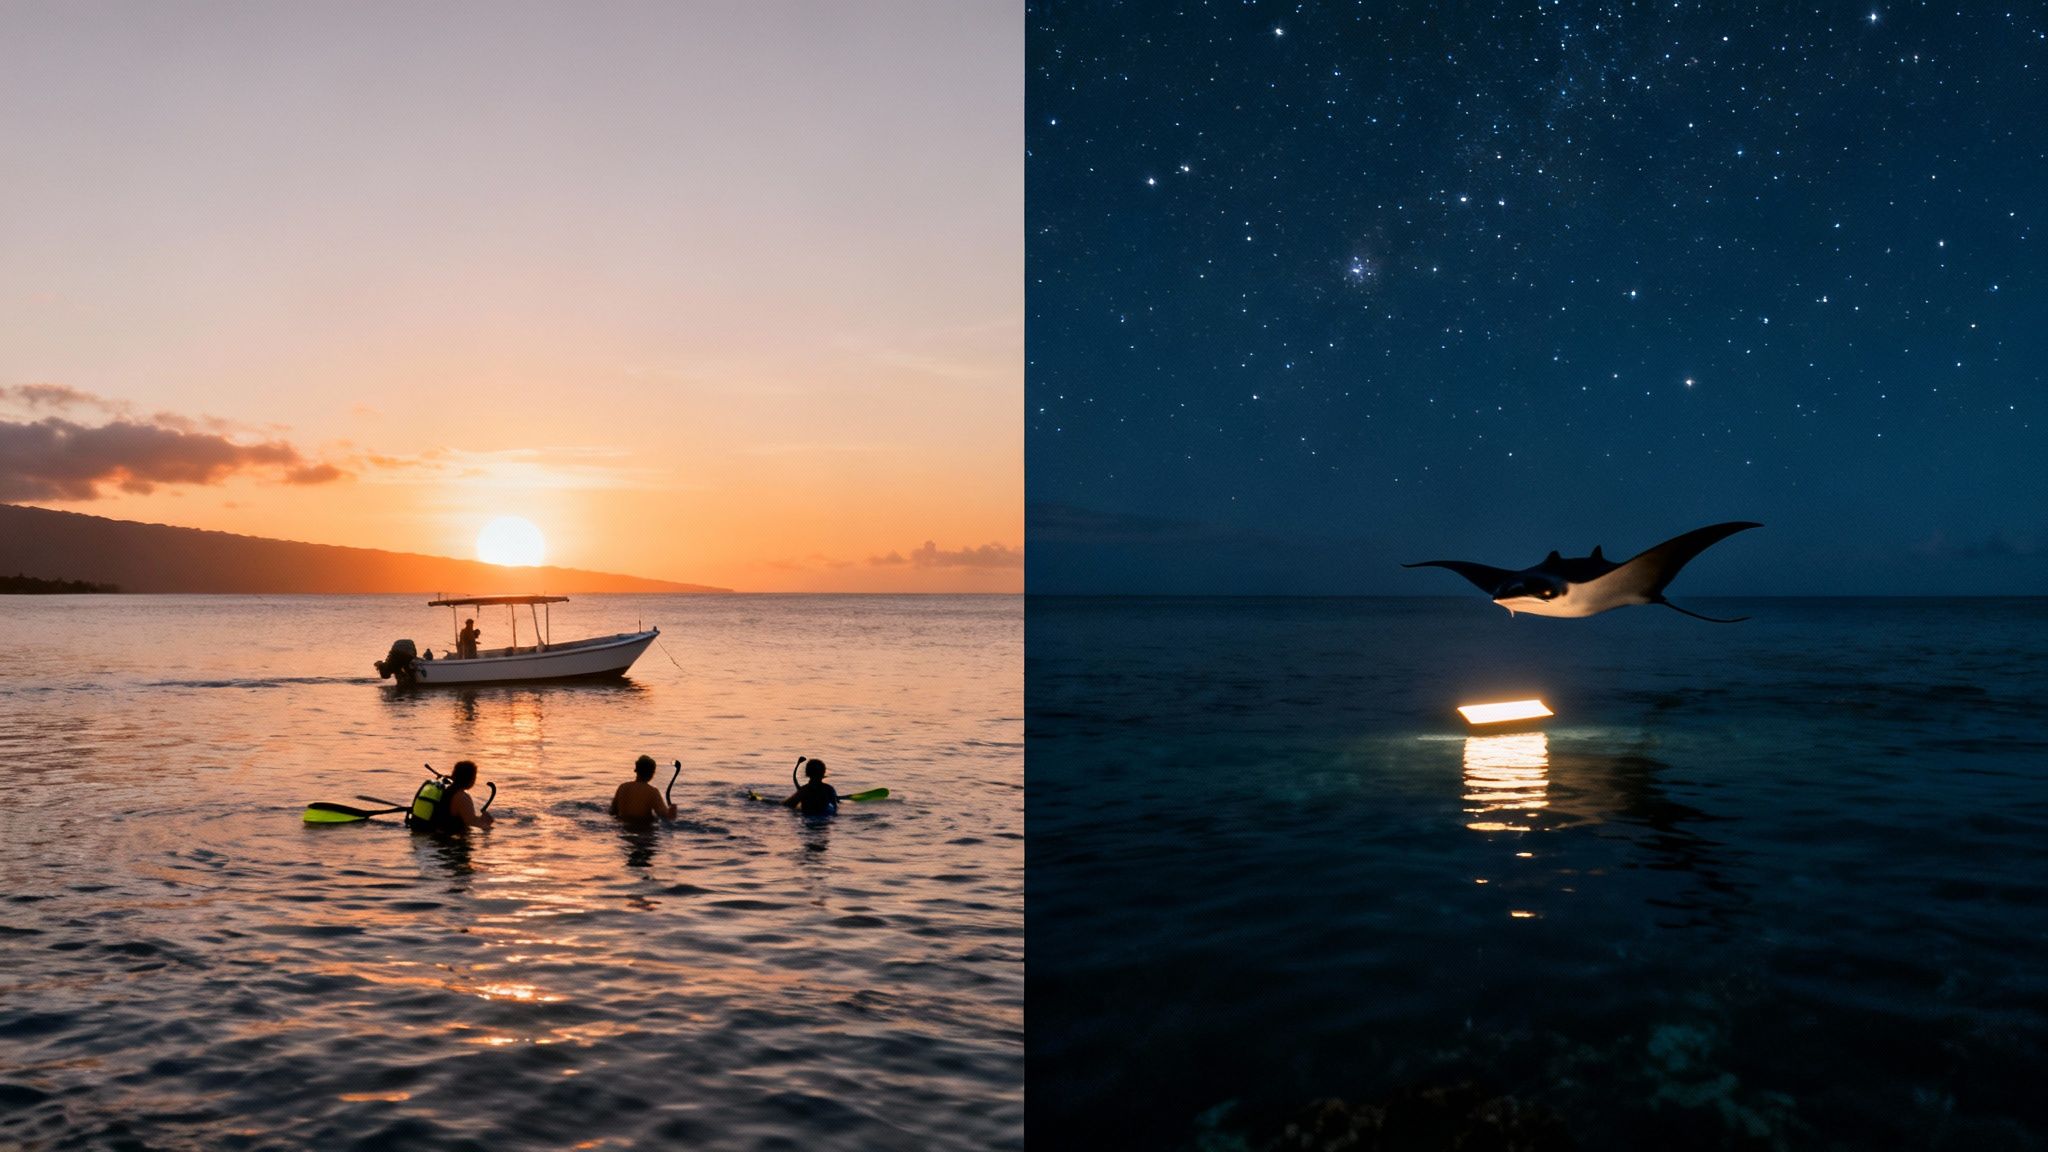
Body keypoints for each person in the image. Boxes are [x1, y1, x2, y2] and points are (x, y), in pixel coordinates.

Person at [408, 760, 495, 833]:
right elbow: (472, 822)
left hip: (428, 835)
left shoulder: (445, 790)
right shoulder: (462, 797)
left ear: (454, 775)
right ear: (472, 779)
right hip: (446, 844)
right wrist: (487, 824)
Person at [611, 754, 677, 823]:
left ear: (636, 770)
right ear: (652, 773)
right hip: (643, 830)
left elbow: (613, 812)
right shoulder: (652, 792)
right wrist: (673, 810)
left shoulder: (623, 787)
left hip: (624, 828)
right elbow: (666, 817)